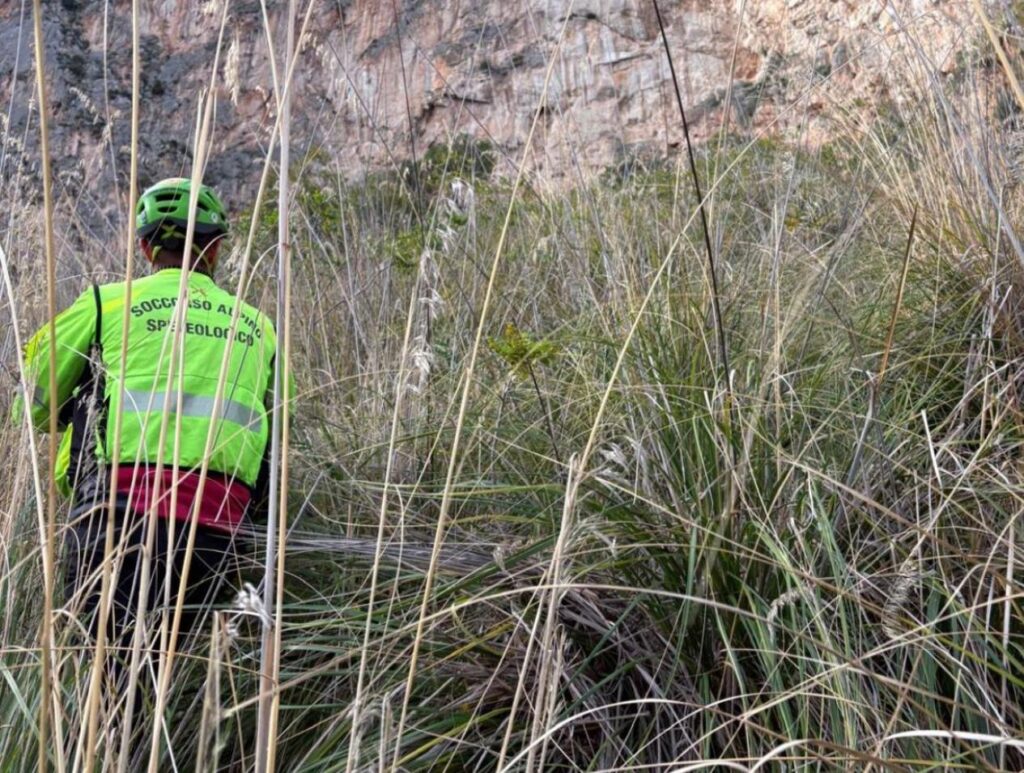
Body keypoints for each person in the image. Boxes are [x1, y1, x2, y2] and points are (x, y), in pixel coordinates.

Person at [17, 177, 279, 663]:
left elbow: (35, 403)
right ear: (216, 249)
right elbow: (278, 439)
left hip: (114, 519)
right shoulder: (258, 326)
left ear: (143, 246)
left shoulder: (106, 303)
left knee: (105, 677)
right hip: (219, 530)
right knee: (176, 679)